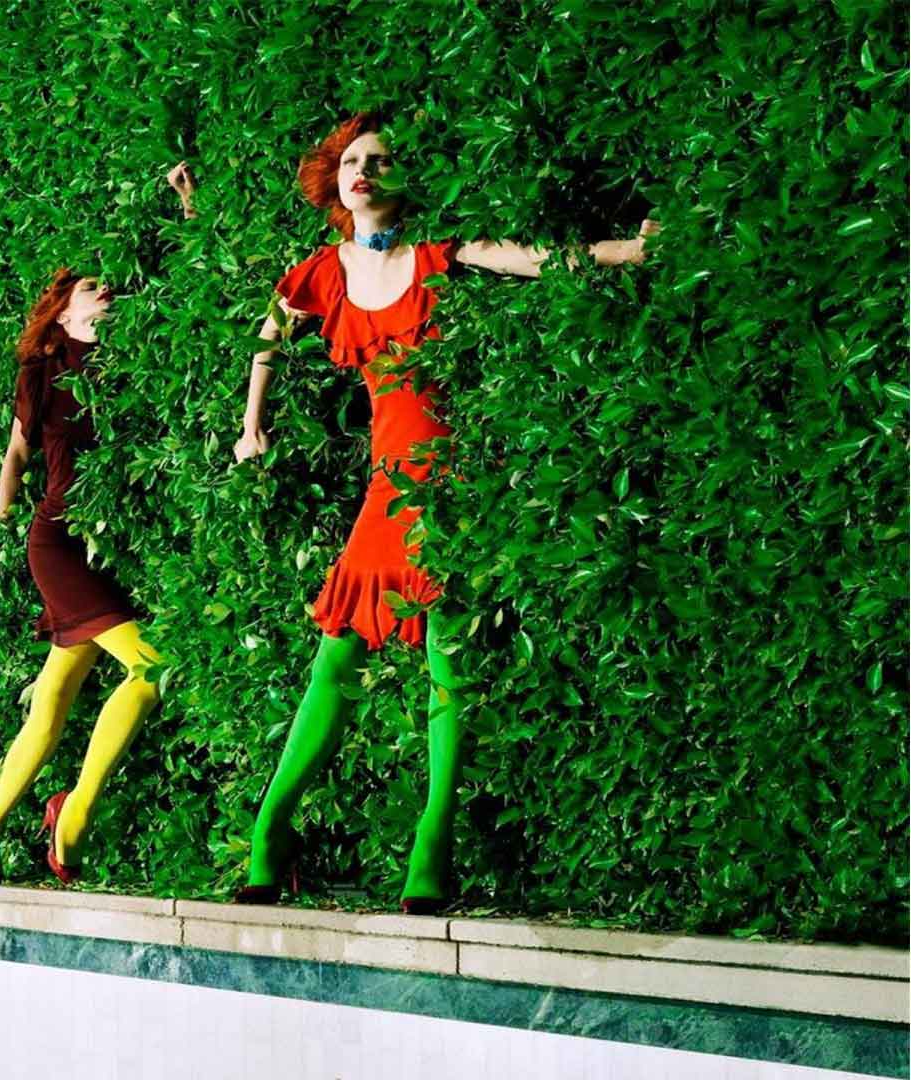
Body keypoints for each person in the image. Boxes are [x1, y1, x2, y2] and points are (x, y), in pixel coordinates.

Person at [226, 113, 656, 911]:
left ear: (405, 178)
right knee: (335, 657)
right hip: (386, 486)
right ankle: (268, 831)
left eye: (380, 159)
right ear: (336, 181)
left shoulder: (437, 257)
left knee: (446, 662)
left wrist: (628, 251)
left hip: (449, 487)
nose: (364, 169)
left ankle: (432, 843)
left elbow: (538, 259)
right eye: (352, 160)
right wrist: (251, 425)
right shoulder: (321, 272)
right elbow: (269, 335)